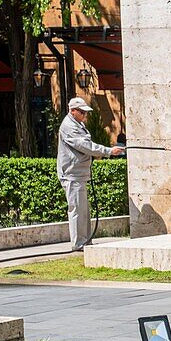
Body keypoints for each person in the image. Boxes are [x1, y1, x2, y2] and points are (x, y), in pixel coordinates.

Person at [57, 97, 124, 251]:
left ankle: (85, 241)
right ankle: (78, 243)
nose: (84, 115)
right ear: (72, 111)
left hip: (79, 174)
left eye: (85, 112)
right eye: (81, 112)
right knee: (76, 209)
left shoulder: (77, 124)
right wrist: (108, 151)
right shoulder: (68, 126)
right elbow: (84, 145)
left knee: (83, 210)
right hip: (72, 175)